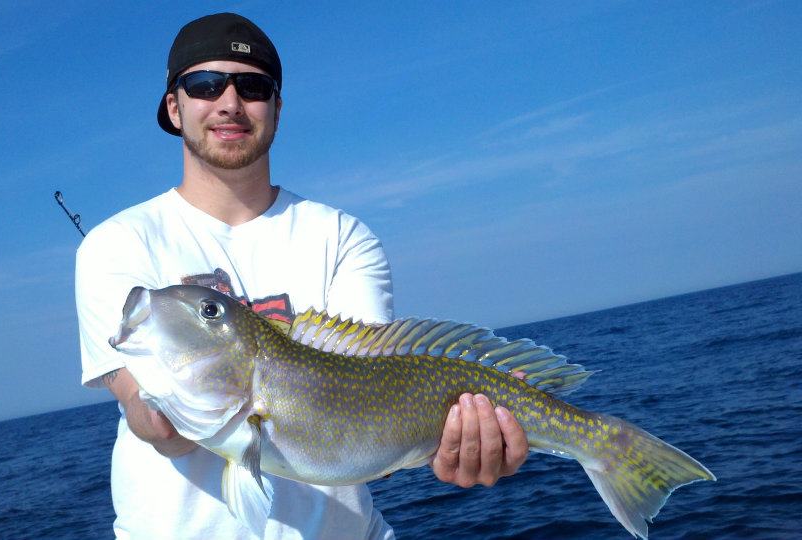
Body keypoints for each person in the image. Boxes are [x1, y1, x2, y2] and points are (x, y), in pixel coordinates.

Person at [75, 12, 528, 539]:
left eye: (252, 86)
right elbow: (151, 417)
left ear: (277, 108)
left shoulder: (342, 236)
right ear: (174, 108)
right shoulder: (115, 244)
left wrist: (462, 442)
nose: (229, 103)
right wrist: (159, 408)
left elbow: (375, 394)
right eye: (204, 85)